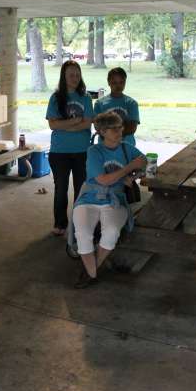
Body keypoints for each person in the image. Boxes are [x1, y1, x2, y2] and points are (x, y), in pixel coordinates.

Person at [73, 112, 146, 288]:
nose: (119, 131)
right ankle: (91, 271)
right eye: (114, 128)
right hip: (89, 198)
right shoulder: (94, 151)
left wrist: (135, 175)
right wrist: (129, 168)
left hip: (115, 200)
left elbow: (145, 161)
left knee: (112, 231)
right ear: (102, 131)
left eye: (120, 127)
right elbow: (103, 180)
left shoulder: (126, 148)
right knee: (82, 232)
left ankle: (91, 270)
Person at [46, 60, 94, 236]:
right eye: (71, 75)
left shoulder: (86, 97)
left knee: (81, 189)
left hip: (82, 151)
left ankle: (80, 223)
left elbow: (88, 123)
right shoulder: (56, 98)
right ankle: (60, 224)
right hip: (59, 152)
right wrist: (75, 121)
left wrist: (64, 125)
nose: (75, 78)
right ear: (64, 77)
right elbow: (52, 124)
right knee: (61, 189)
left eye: (77, 74)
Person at [94, 67, 140, 145]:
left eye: (121, 82)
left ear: (125, 82)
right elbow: (98, 127)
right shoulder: (99, 103)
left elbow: (132, 128)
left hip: (126, 147)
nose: (118, 86)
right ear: (109, 82)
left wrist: (109, 130)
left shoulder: (132, 103)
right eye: (114, 82)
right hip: (105, 148)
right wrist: (124, 125)